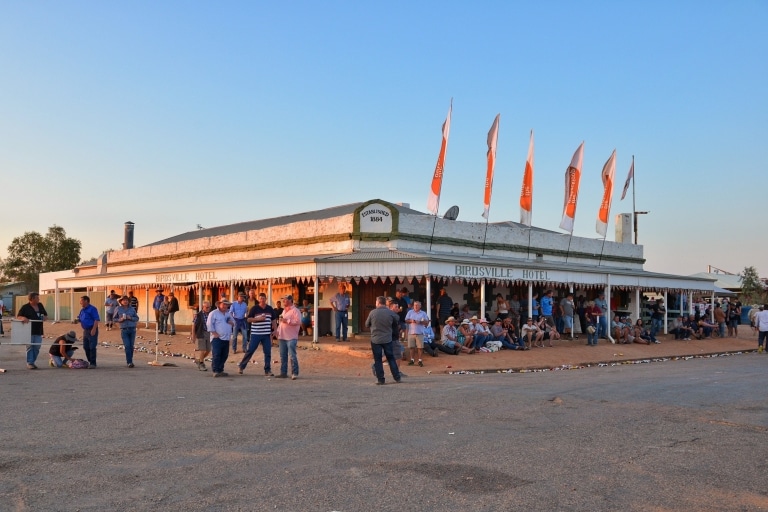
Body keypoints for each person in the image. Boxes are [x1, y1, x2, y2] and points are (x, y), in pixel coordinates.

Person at [365, 296, 402, 385]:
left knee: (378, 360)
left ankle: (380, 379)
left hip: (375, 339)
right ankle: (397, 377)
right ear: (385, 303)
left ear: (378, 303)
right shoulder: (390, 313)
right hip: (387, 338)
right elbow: (397, 319)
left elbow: (367, 324)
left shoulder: (372, 312)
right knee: (391, 358)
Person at [239, 292, 275, 377]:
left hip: (266, 334)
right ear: (258, 299)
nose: (262, 300)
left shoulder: (270, 309)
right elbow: (248, 320)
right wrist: (258, 319)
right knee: (250, 350)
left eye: (263, 298)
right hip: (256, 333)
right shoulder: (254, 308)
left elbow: (273, 320)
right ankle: (242, 366)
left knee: (268, 352)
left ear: (265, 299)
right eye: (260, 298)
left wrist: (275, 330)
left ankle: (267, 370)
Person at [16, 292, 48, 369]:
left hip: (39, 330)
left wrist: (45, 317)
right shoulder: (25, 307)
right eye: (37, 298)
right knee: (30, 347)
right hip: (29, 330)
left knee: (37, 347)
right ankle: (30, 362)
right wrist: (23, 318)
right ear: (32, 299)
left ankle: (32, 361)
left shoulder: (40, 305)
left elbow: (45, 315)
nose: (39, 299)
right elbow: (18, 316)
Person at [275, 295, 301, 379]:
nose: (283, 301)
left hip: (291, 337)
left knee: (292, 355)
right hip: (282, 336)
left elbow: (298, 322)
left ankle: (295, 373)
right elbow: (281, 323)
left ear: (290, 300)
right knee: (283, 355)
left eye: (285, 300)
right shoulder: (284, 311)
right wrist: (277, 330)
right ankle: (283, 372)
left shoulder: (295, 311)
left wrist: (287, 321)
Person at [207, 298, 234, 377]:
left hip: (226, 337)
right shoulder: (213, 313)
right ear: (219, 304)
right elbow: (209, 324)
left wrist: (232, 323)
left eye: (226, 305)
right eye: (223, 304)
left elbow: (234, 322)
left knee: (224, 355)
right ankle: (215, 370)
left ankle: (220, 369)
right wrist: (214, 333)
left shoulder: (228, 314)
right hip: (217, 338)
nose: (225, 306)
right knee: (217, 354)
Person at [114, 295, 139, 368]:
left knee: (131, 346)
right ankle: (129, 362)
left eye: (127, 300)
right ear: (121, 302)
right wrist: (120, 319)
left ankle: (130, 360)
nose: (125, 301)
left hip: (132, 329)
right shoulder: (118, 309)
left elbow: (136, 318)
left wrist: (130, 317)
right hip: (124, 329)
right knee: (127, 346)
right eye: (124, 300)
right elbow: (114, 319)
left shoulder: (132, 309)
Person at [405, 300, 430, 367]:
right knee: (411, 347)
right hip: (411, 332)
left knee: (420, 347)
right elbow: (406, 320)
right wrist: (411, 320)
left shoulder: (423, 313)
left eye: (417, 305)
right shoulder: (410, 312)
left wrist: (421, 322)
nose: (415, 306)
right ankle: (412, 360)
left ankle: (420, 360)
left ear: (420, 306)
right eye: (415, 305)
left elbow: (427, 322)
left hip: (420, 332)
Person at [78, 295, 100, 368]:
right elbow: (80, 318)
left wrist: (94, 329)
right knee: (85, 346)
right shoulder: (82, 310)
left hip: (92, 329)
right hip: (85, 330)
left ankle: (93, 363)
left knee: (92, 346)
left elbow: (96, 319)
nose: (80, 302)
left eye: (81, 301)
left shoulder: (92, 309)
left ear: (86, 301)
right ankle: (90, 361)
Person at [192, 301, 212, 371]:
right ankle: (201, 363)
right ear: (203, 307)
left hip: (209, 333)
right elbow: (194, 325)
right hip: (201, 333)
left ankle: (199, 360)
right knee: (202, 349)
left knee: (209, 349)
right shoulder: (198, 315)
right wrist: (193, 335)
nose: (208, 308)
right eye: (206, 307)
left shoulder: (210, 314)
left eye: (209, 307)